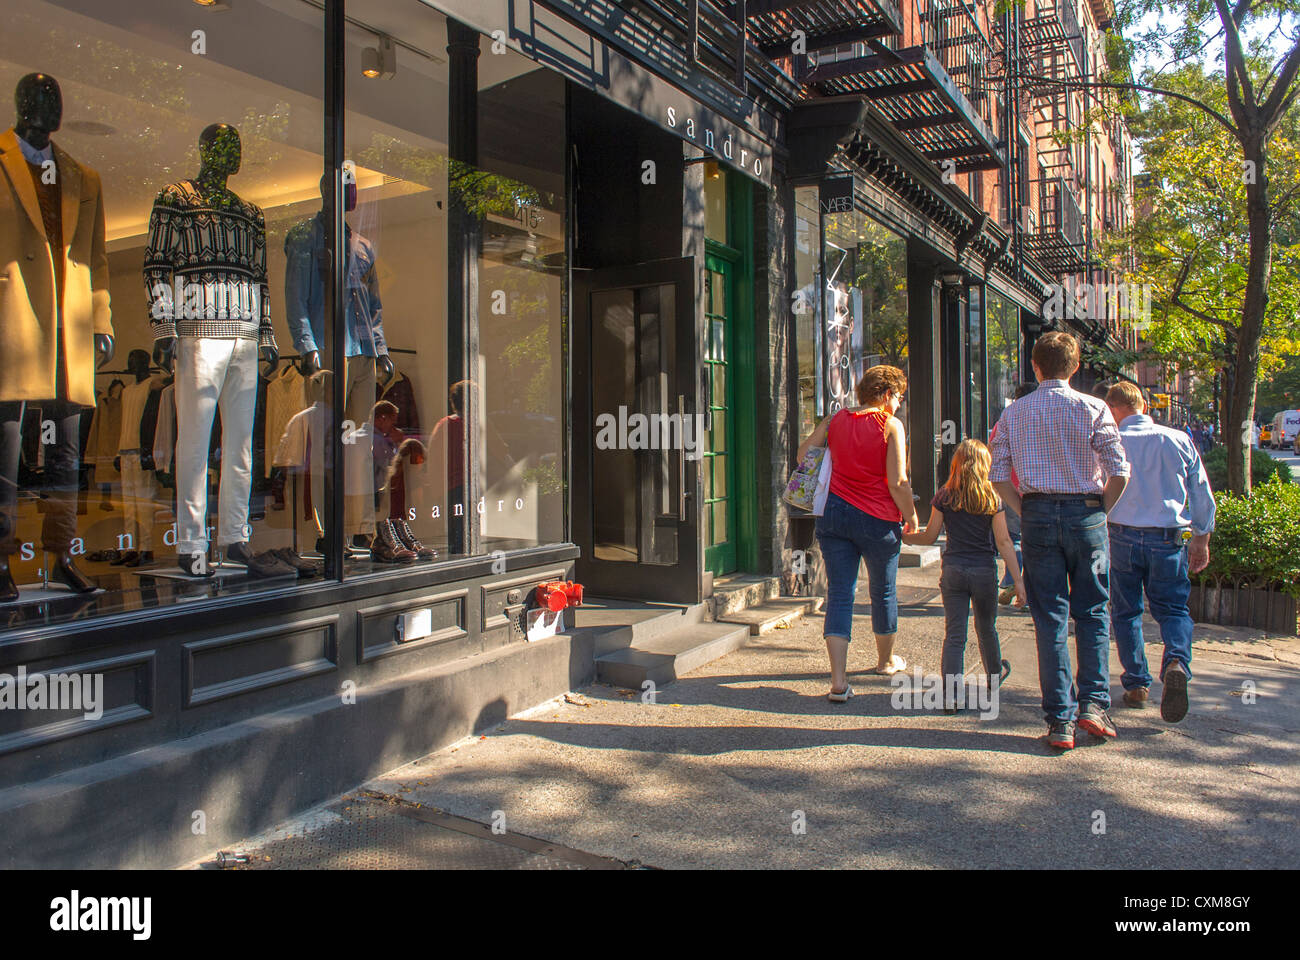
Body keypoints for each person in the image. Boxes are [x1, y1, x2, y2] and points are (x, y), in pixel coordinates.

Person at [990, 332, 1129, 751]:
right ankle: (1094, 705)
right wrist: (1099, 509)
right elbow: (1119, 470)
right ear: (1075, 366)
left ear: (1035, 366)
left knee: (1049, 616)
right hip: (1086, 512)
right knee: (1092, 611)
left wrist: (1023, 509)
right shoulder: (1094, 407)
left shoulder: (1015, 412)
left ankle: (1060, 721)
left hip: (1037, 515)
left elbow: (998, 476)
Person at [798, 365, 920, 703]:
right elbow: (897, 481)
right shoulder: (890, 425)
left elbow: (804, 455)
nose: (899, 404)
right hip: (877, 519)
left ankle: (838, 681)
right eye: (898, 397)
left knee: (840, 594)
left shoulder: (837, 420)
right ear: (885, 395)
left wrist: (826, 424)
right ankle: (884, 662)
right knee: (883, 591)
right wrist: (911, 516)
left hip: (834, 516)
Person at [1104, 383, 1215, 724]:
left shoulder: (1111, 441)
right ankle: (1177, 661)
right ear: (1143, 405)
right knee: (1173, 610)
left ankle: (1137, 684)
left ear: (1113, 409)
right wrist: (1201, 538)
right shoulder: (1178, 439)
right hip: (1168, 538)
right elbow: (1201, 492)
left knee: (1126, 612)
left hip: (1120, 535)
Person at [903, 439, 1024, 712]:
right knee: (986, 628)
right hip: (983, 571)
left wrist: (907, 538)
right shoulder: (992, 497)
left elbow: (932, 536)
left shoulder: (944, 496)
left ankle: (951, 696)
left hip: (953, 571)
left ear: (956, 464)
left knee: (955, 634)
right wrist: (1018, 581)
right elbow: (1004, 542)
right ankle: (994, 676)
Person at [990, 382, 1036, 604]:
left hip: (1009, 488)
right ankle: (1028, 587)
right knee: (1032, 539)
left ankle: (1011, 581)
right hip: (1035, 487)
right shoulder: (1039, 418)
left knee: (1013, 537)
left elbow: (993, 453)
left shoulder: (1007, 419)